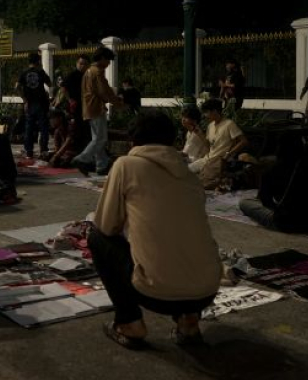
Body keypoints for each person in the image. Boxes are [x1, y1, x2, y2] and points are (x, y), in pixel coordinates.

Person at [90, 113, 221, 349]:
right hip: (207, 291)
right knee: (182, 239)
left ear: (133, 141)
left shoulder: (125, 165)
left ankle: (129, 323)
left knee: (97, 238)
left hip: (157, 294)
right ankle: (189, 321)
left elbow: (106, 225)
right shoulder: (189, 175)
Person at [238, 133, 308, 232]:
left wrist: (279, 209)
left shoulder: (271, 169)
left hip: (286, 222)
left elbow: (266, 200)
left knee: (244, 203)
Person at [72, 47, 124, 175]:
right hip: (96, 107)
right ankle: (82, 159)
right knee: (100, 139)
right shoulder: (97, 72)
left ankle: (102, 165)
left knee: (97, 138)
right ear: (102, 58)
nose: (109, 63)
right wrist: (117, 103)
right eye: (108, 60)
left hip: (89, 107)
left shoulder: (89, 71)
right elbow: (104, 91)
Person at [188, 99, 249, 177]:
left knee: (195, 176)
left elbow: (243, 141)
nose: (204, 115)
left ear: (215, 111)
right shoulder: (210, 126)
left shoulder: (229, 124)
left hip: (219, 161)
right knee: (186, 170)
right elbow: (209, 146)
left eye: (206, 112)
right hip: (208, 159)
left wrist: (229, 154)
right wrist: (199, 134)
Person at [16, 52, 52, 158]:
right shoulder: (40, 72)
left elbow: (17, 86)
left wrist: (24, 100)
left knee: (29, 127)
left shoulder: (24, 72)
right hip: (41, 103)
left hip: (29, 103)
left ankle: (29, 151)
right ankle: (43, 149)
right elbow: (50, 84)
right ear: (38, 61)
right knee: (43, 127)